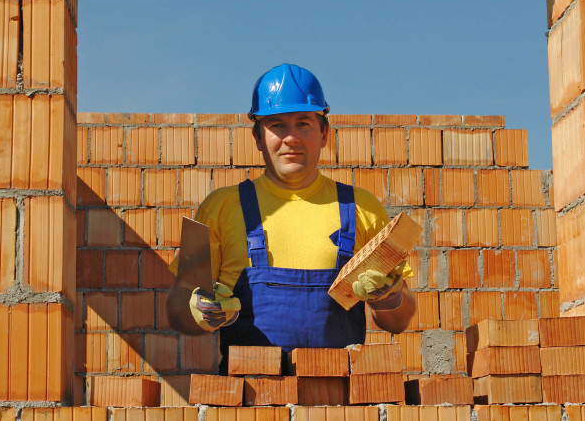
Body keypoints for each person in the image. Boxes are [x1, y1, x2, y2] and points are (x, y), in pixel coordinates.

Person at [166, 63, 416, 367]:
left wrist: (389, 298)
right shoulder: (218, 208)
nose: (291, 138)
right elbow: (178, 309)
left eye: (303, 123)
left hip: (335, 404)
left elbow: (398, 322)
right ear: (258, 137)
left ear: (324, 134)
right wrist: (200, 310)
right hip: (249, 402)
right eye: (277, 125)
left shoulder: (362, 209)